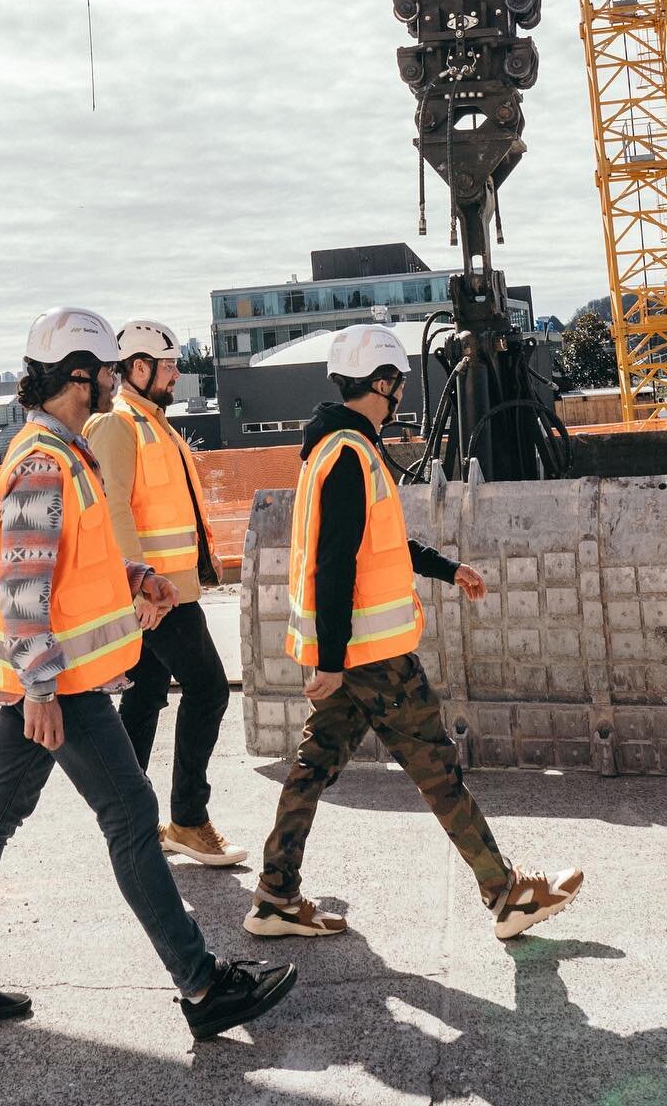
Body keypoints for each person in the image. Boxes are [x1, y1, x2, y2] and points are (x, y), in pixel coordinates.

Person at [0, 308, 296, 1039]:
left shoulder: (64, 453)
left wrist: (136, 576)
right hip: (60, 684)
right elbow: (23, 587)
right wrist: (39, 688)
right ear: (81, 375)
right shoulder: (41, 461)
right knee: (128, 816)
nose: (114, 385)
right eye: (109, 373)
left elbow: (69, 560)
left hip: (55, 679)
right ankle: (201, 985)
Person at [246, 323, 583, 944]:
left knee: (311, 769)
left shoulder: (335, 449)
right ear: (380, 383)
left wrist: (447, 568)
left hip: (349, 655)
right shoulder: (348, 454)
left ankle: (274, 896)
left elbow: (377, 546)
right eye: (396, 382)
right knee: (436, 768)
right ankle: (505, 894)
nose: (400, 394)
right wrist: (329, 657)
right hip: (369, 655)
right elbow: (335, 562)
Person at [85, 319, 246, 869]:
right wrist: (141, 588)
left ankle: (126, 816)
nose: (178, 375)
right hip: (158, 595)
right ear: (138, 368)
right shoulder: (118, 425)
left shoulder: (157, 425)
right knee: (209, 691)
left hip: (170, 590)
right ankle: (188, 820)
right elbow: (114, 509)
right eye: (169, 366)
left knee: (147, 694)